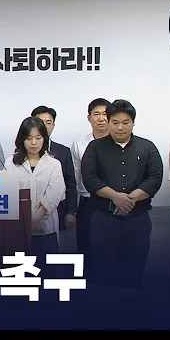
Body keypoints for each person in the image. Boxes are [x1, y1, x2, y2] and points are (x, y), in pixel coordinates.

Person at [81, 99, 163, 290]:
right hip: (103, 219)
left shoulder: (147, 147)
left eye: (125, 122)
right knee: (102, 272)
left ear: (133, 123)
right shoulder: (95, 148)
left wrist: (130, 199)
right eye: (115, 122)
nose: (120, 127)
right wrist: (115, 197)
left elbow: (154, 178)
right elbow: (90, 178)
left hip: (137, 220)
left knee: (134, 271)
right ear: (108, 122)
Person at [4, 117, 66, 274]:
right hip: (18, 230)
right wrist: (25, 222)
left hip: (46, 229)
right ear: (22, 139)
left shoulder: (53, 164)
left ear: (44, 138)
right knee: (20, 275)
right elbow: (7, 193)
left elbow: (56, 192)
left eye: (38, 138)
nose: (33, 143)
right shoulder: (11, 163)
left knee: (47, 274)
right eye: (29, 138)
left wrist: (36, 218)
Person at [70, 98, 110, 271]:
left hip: (114, 203)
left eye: (105, 114)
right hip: (88, 203)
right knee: (86, 250)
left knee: (112, 252)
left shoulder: (119, 142)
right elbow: (76, 178)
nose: (101, 118)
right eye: (96, 114)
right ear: (89, 118)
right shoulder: (79, 145)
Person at [31, 105, 76, 232]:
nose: (44, 126)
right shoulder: (21, 153)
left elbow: (70, 183)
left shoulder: (63, 152)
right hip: (28, 212)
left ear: (53, 125)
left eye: (48, 122)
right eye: (40, 122)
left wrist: (71, 212)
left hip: (58, 209)